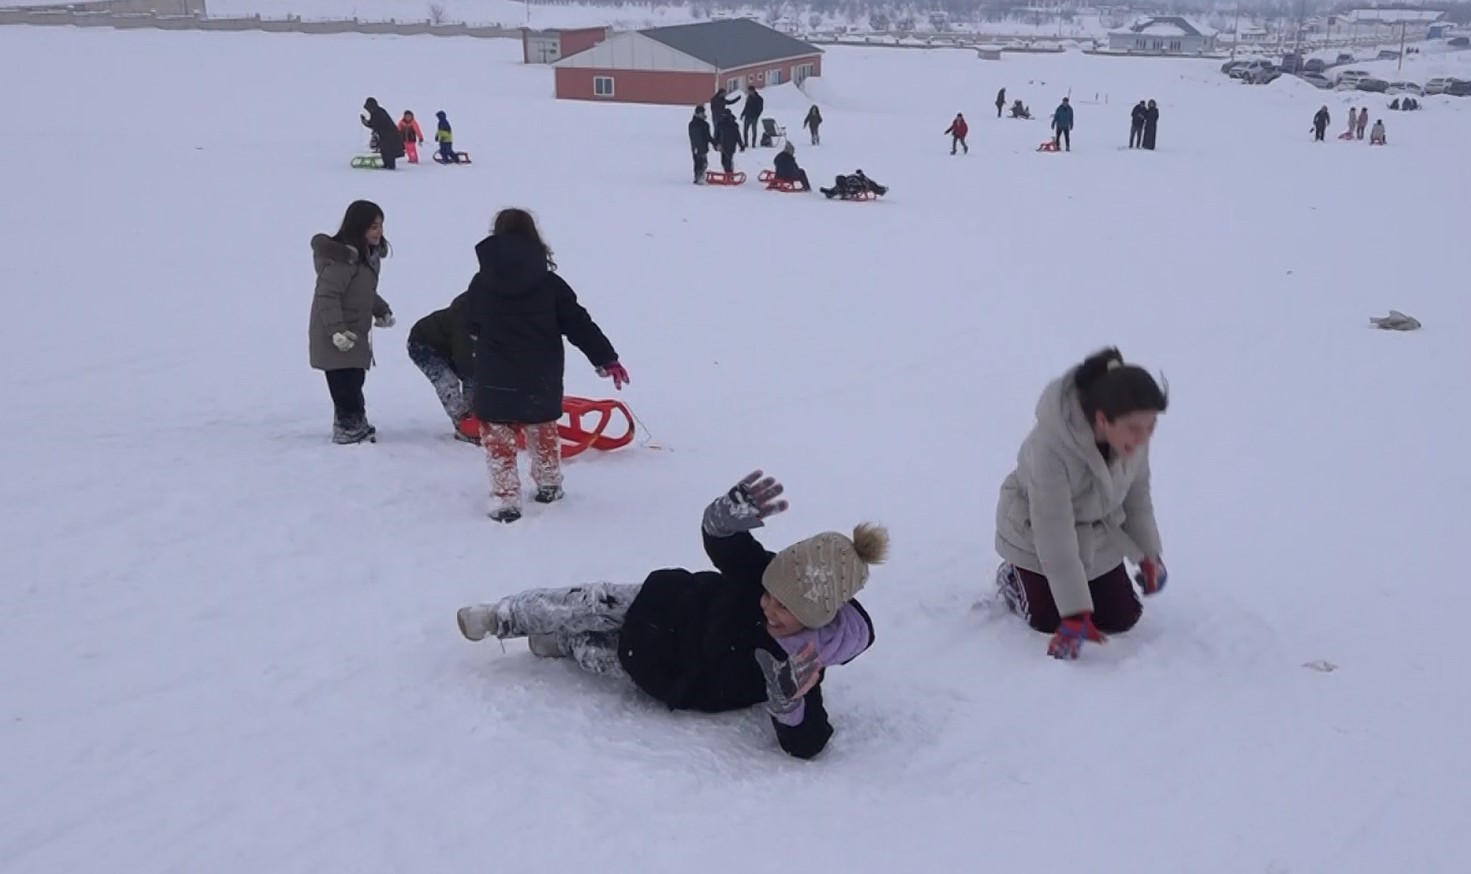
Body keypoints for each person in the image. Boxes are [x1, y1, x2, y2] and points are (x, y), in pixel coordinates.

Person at [454, 470, 888, 759]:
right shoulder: (767, 575)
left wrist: (788, 702)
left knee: (600, 654)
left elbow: (808, 741)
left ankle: (563, 643)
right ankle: (502, 617)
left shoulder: (801, 665)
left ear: (815, 617)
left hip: (671, 670)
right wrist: (721, 523)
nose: (768, 606)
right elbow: (729, 550)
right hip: (671, 602)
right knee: (586, 600)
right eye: (769, 595)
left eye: (783, 608)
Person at [993, 348, 1169, 660]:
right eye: (1135, 428)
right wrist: (1075, 613)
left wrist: (1148, 555)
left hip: (1094, 532)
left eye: (1150, 427)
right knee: (1049, 619)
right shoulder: (1049, 448)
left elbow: (1138, 499)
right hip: (1034, 535)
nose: (1144, 438)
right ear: (1103, 419)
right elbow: (1054, 532)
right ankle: (1013, 576)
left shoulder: (1132, 442)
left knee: (1121, 618)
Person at [464, 208, 628, 522]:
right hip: (540, 375)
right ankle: (549, 483)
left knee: (498, 437)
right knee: (541, 428)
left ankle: (505, 498)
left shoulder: (480, 283)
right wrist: (606, 358)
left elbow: (472, 323)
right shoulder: (549, 284)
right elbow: (579, 323)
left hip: (495, 373)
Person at [308, 200, 395, 444]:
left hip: (354, 330)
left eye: (380, 226)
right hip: (334, 328)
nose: (378, 232)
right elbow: (328, 295)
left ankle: (355, 422)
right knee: (342, 380)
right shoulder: (343, 259)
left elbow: (362, 290)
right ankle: (347, 426)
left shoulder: (366, 257)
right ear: (358, 227)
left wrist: (380, 309)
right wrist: (336, 331)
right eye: (373, 227)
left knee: (355, 377)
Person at [406, 291, 477, 442]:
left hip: (448, 346)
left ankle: (475, 418)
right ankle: (463, 425)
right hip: (422, 343)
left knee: (475, 377)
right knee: (448, 382)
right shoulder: (465, 315)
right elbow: (464, 357)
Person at [360, 98, 404, 170]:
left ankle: (390, 166)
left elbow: (376, 125)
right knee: (384, 150)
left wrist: (366, 122)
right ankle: (386, 164)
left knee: (389, 150)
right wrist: (365, 122)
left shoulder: (378, 113)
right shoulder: (376, 113)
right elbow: (374, 125)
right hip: (384, 135)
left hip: (390, 135)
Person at [819, 169, 888, 200]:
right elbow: (831, 192)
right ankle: (879, 190)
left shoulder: (859, 181)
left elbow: (868, 183)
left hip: (860, 184)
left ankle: (880, 190)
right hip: (857, 184)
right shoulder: (839, 187)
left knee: (871, 185)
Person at [688, 105, 714, 184]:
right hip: (700, 147)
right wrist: (715, 143)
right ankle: (700, 178)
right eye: (702, 113)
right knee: (702, 163)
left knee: (698, 163)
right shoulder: (703, 125)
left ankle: (698, 177)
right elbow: (707, 136)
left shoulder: (692, 124)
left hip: (696, 147)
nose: (704, 114)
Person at [714, 109, 741, 174]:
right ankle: (727, 172)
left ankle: (729, 173)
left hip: (731, 144)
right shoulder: (720, 124)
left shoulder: (734, 125)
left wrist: (741, 145)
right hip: (723, 145)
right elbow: (717, 135)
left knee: (728, 160)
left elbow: (737, 136)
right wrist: (716, 144)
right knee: (723, 161)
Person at [740, 84, 764, 149]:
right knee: (745, 130)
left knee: (754, 130)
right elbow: (746, 107)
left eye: (749, 91)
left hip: (754, 117)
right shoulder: (748, 98)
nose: (748, 92)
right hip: (747, 116)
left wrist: (757, 115)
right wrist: (742, 114)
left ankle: (753, 143)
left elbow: (760, 109)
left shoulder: (759, 99)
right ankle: (746, 143)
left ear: (753, 91)